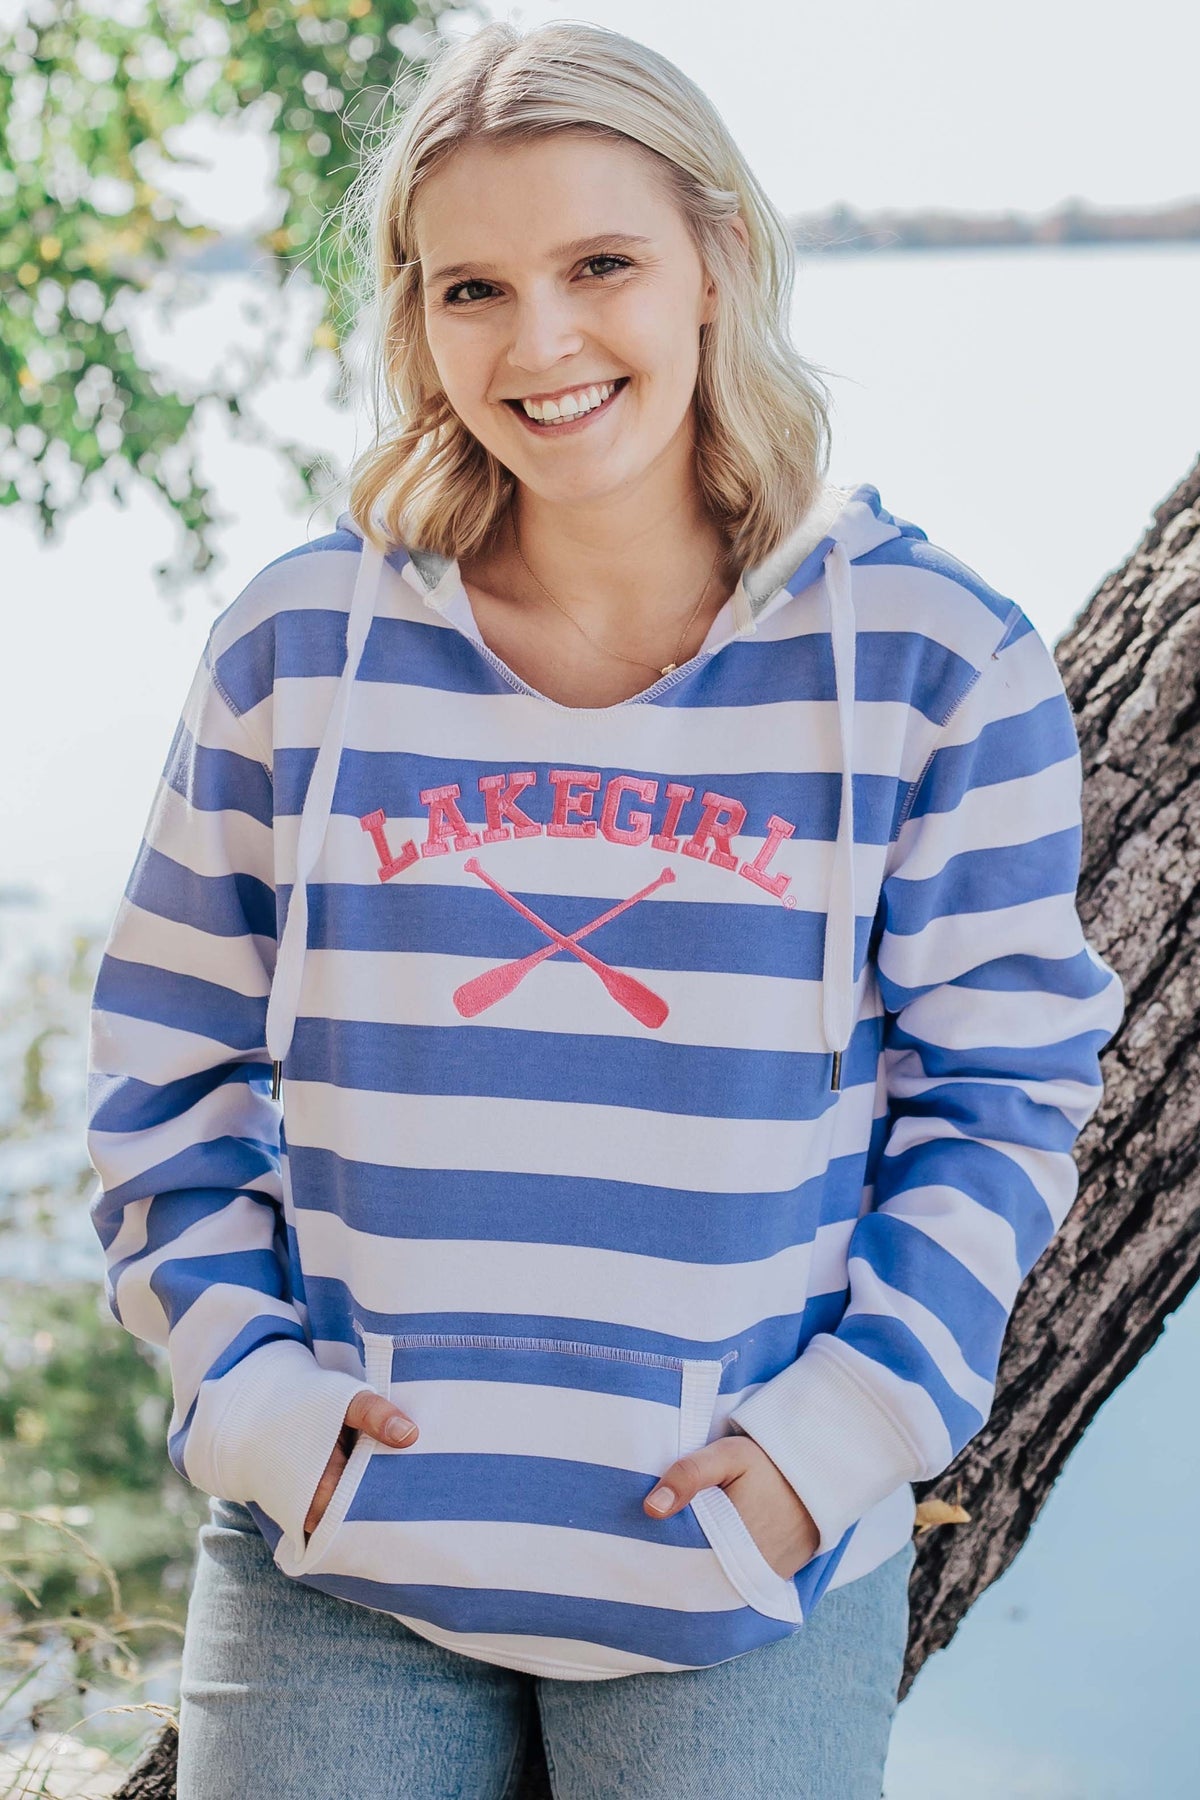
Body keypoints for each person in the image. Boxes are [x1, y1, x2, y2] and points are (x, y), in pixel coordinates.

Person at [84, 18, 1126, 1799]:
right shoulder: (299, 648)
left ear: (717, 261)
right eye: (473, 288)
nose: (542, 342)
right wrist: (256, 1407)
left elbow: (1003, 1099)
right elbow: (163, 1071)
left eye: (601, 266)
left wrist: (835, 1442)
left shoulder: (935, 661)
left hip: (735, 1562)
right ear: (416, 319)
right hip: (342, 1555)